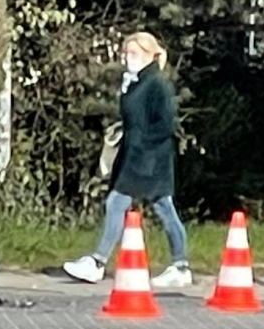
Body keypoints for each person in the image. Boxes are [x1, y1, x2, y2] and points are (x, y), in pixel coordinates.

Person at [63, 31, 191, 287]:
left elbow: (165, 123)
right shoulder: (136, 81)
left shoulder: (157, 84)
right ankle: (181, 266)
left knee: (117, 202)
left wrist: (141, 144)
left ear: (148, 54)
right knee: (163, 206)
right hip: (135, 154)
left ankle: (98, 262)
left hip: (147, 157)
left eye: (133, 53)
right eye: (127, 53)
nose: (128, 58)